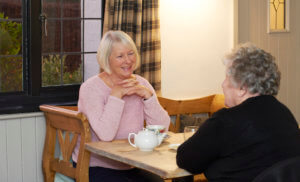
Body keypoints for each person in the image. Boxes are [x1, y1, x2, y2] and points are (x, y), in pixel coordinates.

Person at [176, 43, 300, 182]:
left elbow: (185, 160)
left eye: (227, 78)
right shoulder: (284, 114)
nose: (223, 84)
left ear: (242, 88)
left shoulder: (227, 120)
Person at [72, 30, 170, 182]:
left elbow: (162, 128)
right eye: (120, 56)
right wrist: (116, 96)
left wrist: (148, 97)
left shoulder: (141, 84)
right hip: (94, 165)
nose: (128, 61)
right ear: (107, 60)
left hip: (133, 163)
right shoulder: (90, 88)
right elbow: (105, 135)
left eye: (131, 53)